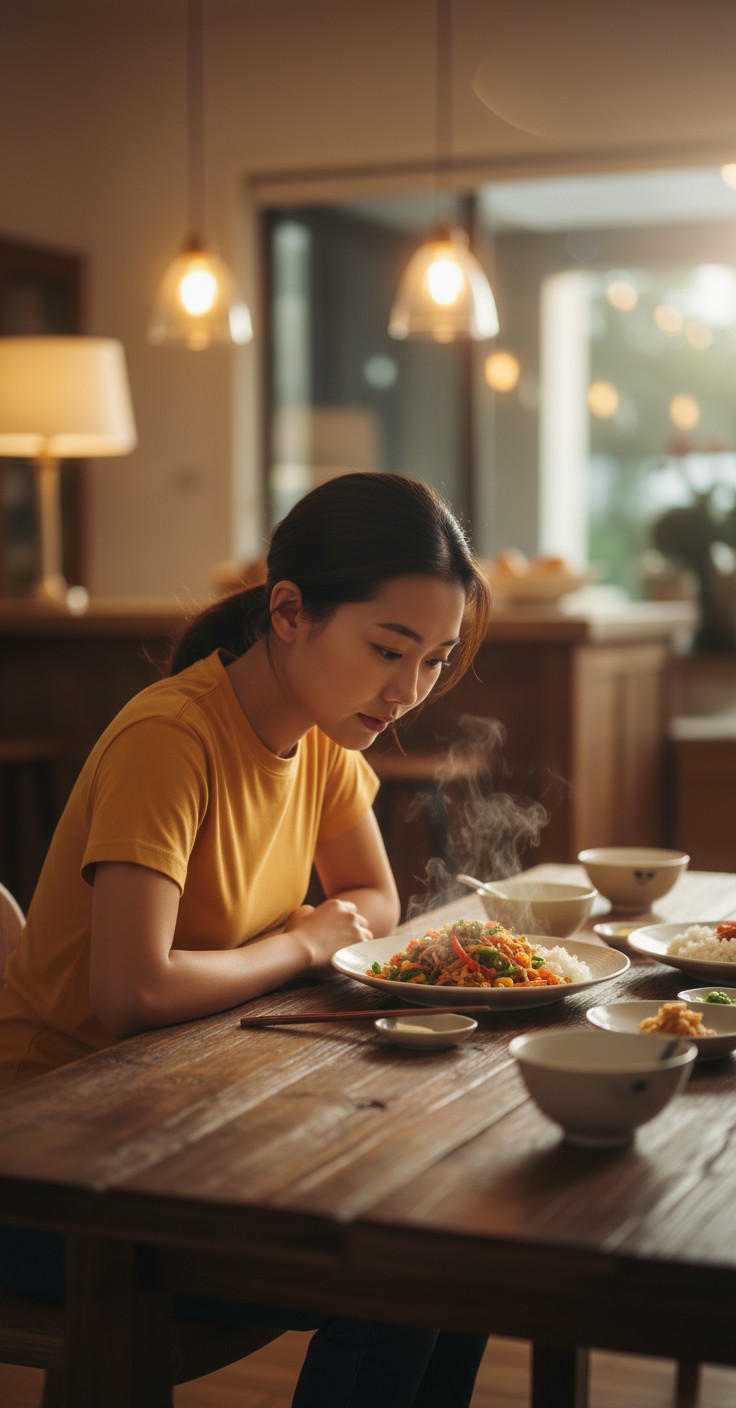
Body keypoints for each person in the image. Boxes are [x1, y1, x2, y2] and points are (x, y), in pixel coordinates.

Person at [0, 471, 492, 1407]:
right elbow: (130, 992)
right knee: (406, 1273)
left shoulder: (324, 736)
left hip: (172, 1116)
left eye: (433, 660)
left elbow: (373, 901)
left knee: (461, 1238)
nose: (407, 691)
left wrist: (317, 930)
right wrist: (301, 944)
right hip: (48, 1164)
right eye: (388, 649)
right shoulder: (170, 738)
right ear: (290, 611)